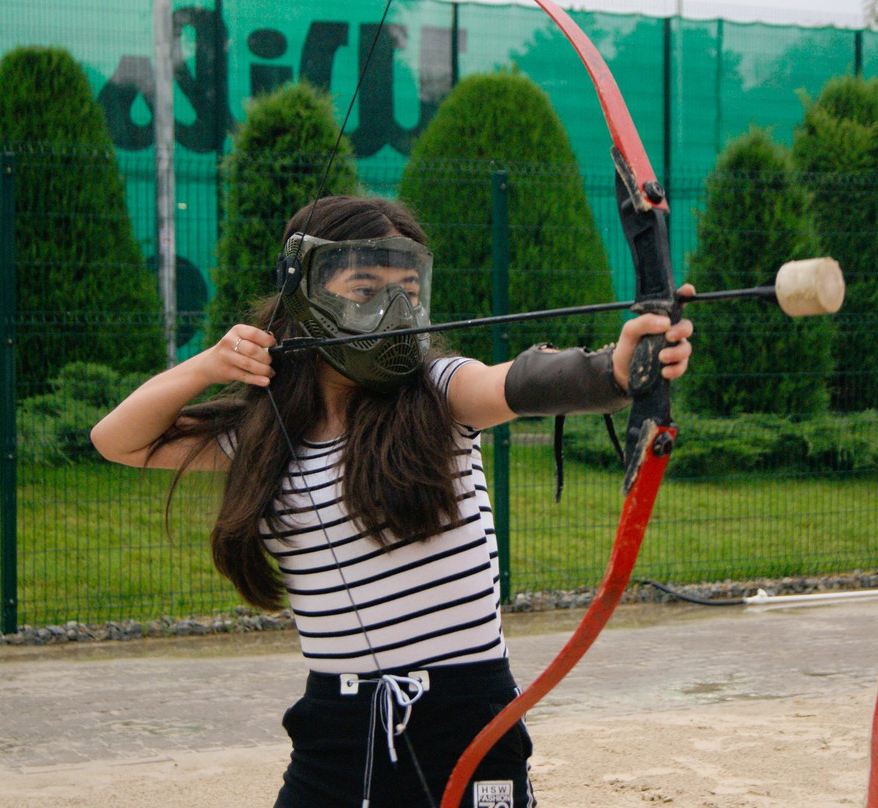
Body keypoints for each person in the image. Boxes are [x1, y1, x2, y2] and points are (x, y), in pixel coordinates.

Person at [91, 195, 695, 808]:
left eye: (409, 288)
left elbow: (511, 381)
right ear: (305, 296)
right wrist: (208, 365)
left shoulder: (438, 391)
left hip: (464, 719)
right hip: (334, 727)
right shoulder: (265, 431)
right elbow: (116, 440)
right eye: (364, 288)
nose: (394, 310)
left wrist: (618, 371)